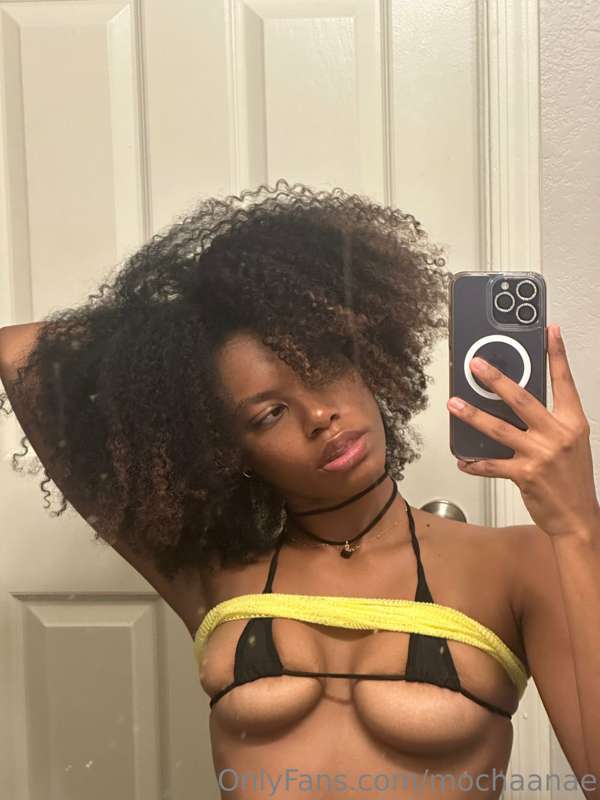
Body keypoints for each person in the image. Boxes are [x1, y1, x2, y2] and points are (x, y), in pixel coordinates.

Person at [0, 179, 574, 799]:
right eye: (269, 413)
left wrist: (578, 523)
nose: (319, 416)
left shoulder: (518, 563)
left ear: (369, 362)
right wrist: (183, 323)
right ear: (228, 452)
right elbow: (17, 354)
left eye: (322, 368)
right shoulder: (217, 576)